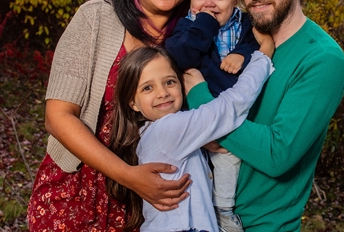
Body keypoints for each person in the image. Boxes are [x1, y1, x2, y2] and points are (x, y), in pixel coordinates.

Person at [27, 0, 203, 231]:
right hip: (77, 192)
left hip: (153, 204)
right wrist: (129, 176)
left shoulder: (197, 38)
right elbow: (58, 116)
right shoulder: (96, 19)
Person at [186, 0, 344, 231]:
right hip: (201, 216)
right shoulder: (232, 36)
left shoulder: (322, 59)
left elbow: (277, 153)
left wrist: (200, 100)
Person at [107, 41, 273, 231]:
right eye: (147, 88)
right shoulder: (167, 129)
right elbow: (231, 106)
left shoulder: (151, 132)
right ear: (133, 103)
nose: (162, 93)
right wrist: (263, 58)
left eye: (170, 82)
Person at [165, 0, 260, 232]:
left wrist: (242, 54)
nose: (209, 2)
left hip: (230, 113)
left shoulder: (245, 25)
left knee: (228, 159)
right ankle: (194, 217)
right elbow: (183, 57)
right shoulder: (186, 26)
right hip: (195, 113)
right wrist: (205, 23)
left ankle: (224, 209)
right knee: (195, 169)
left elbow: (258, 45)